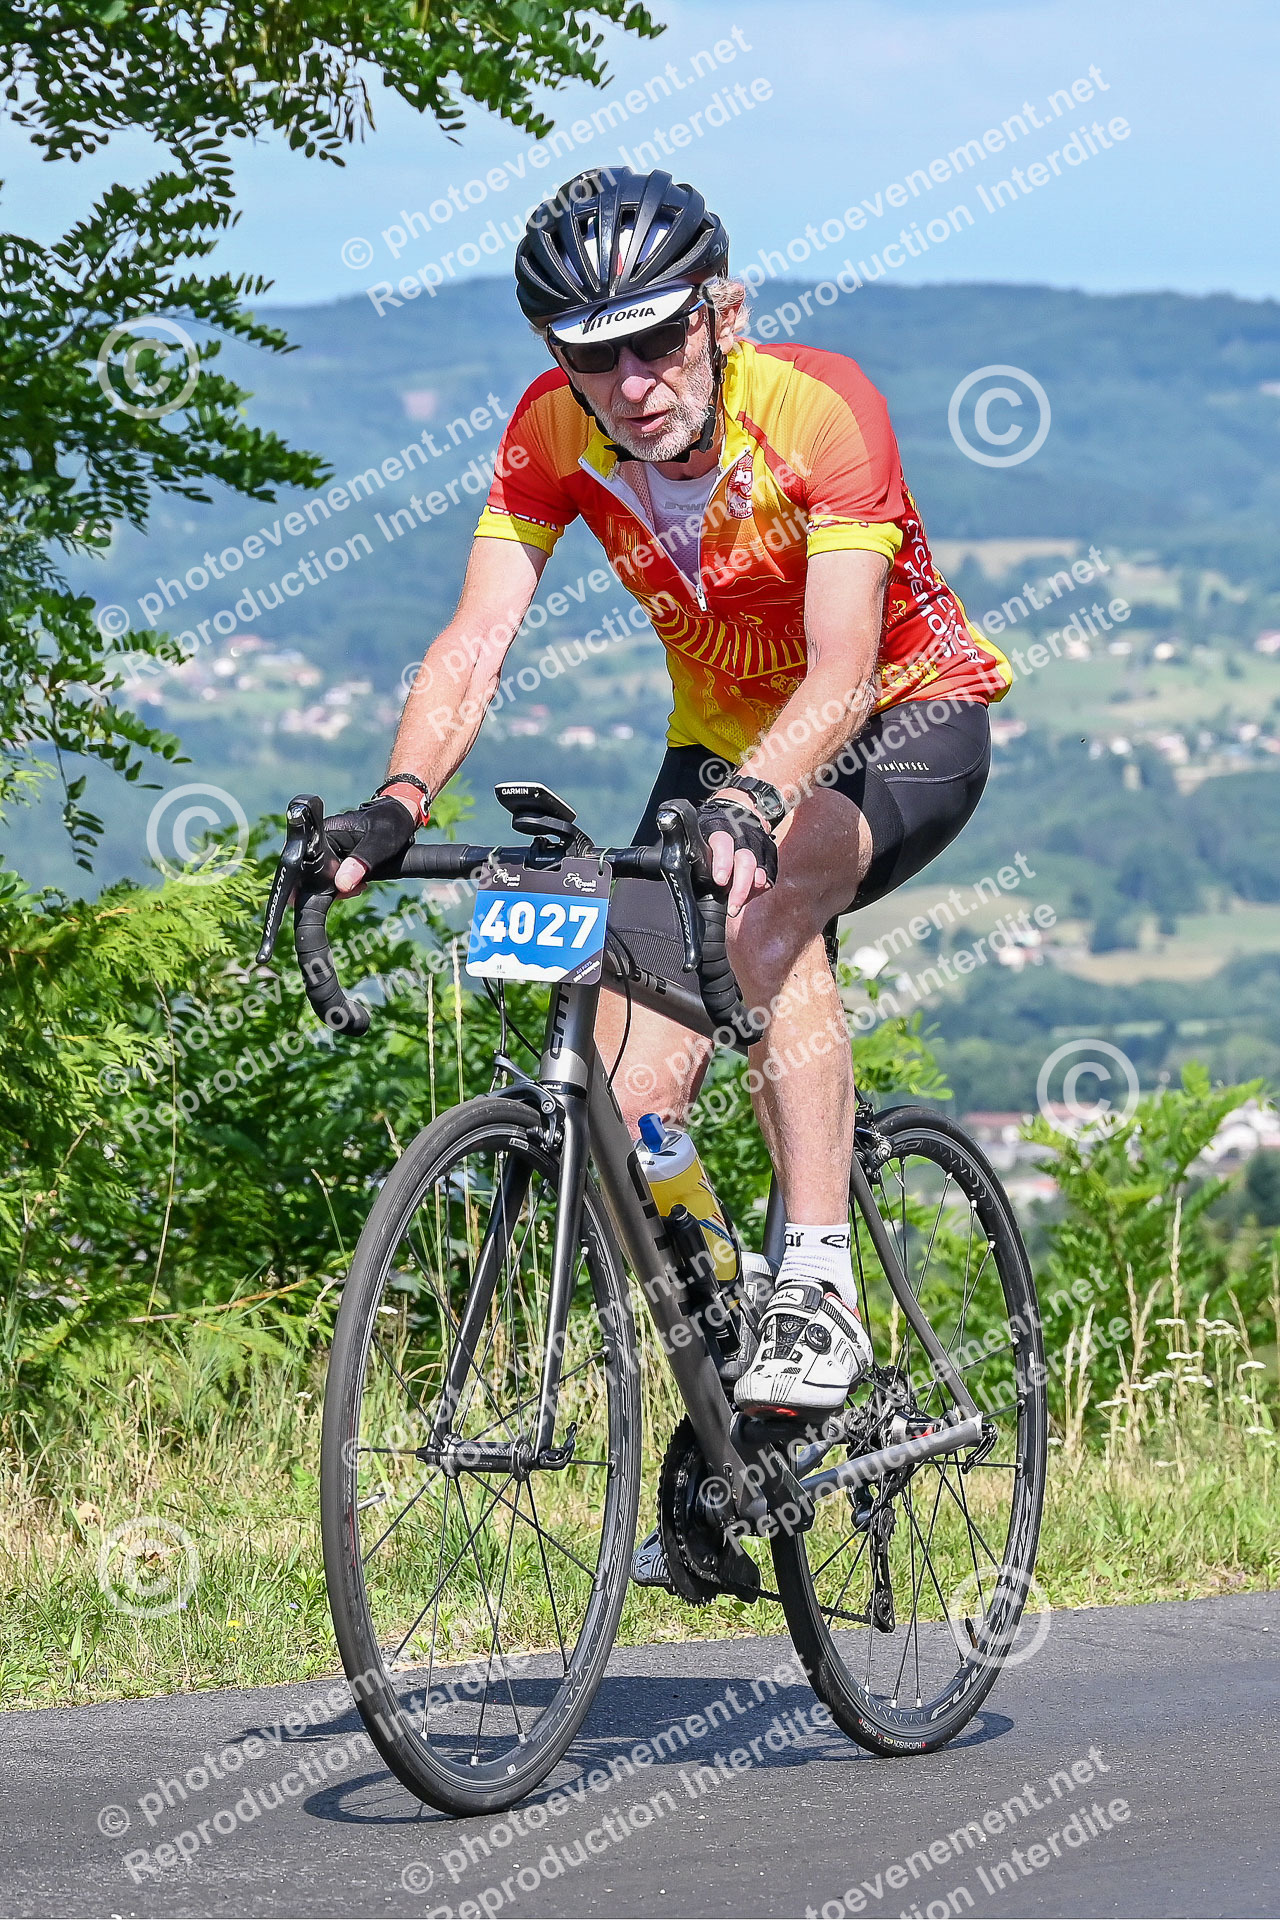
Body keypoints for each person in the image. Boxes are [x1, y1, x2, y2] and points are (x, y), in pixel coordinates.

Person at [333, 166, 1011, 1418]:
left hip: (899, 717)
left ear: (721, 314)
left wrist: (758, 803)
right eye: (594, 357)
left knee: (765, 903)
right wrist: (399, 797)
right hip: (717, 746)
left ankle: (817, 1283)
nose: (632, 383)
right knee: (625, 1090)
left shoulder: (819, 412)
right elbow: (476, 636)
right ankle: (729, 1355)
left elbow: (843, 668)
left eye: (656, 341)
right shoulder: (549, 430)